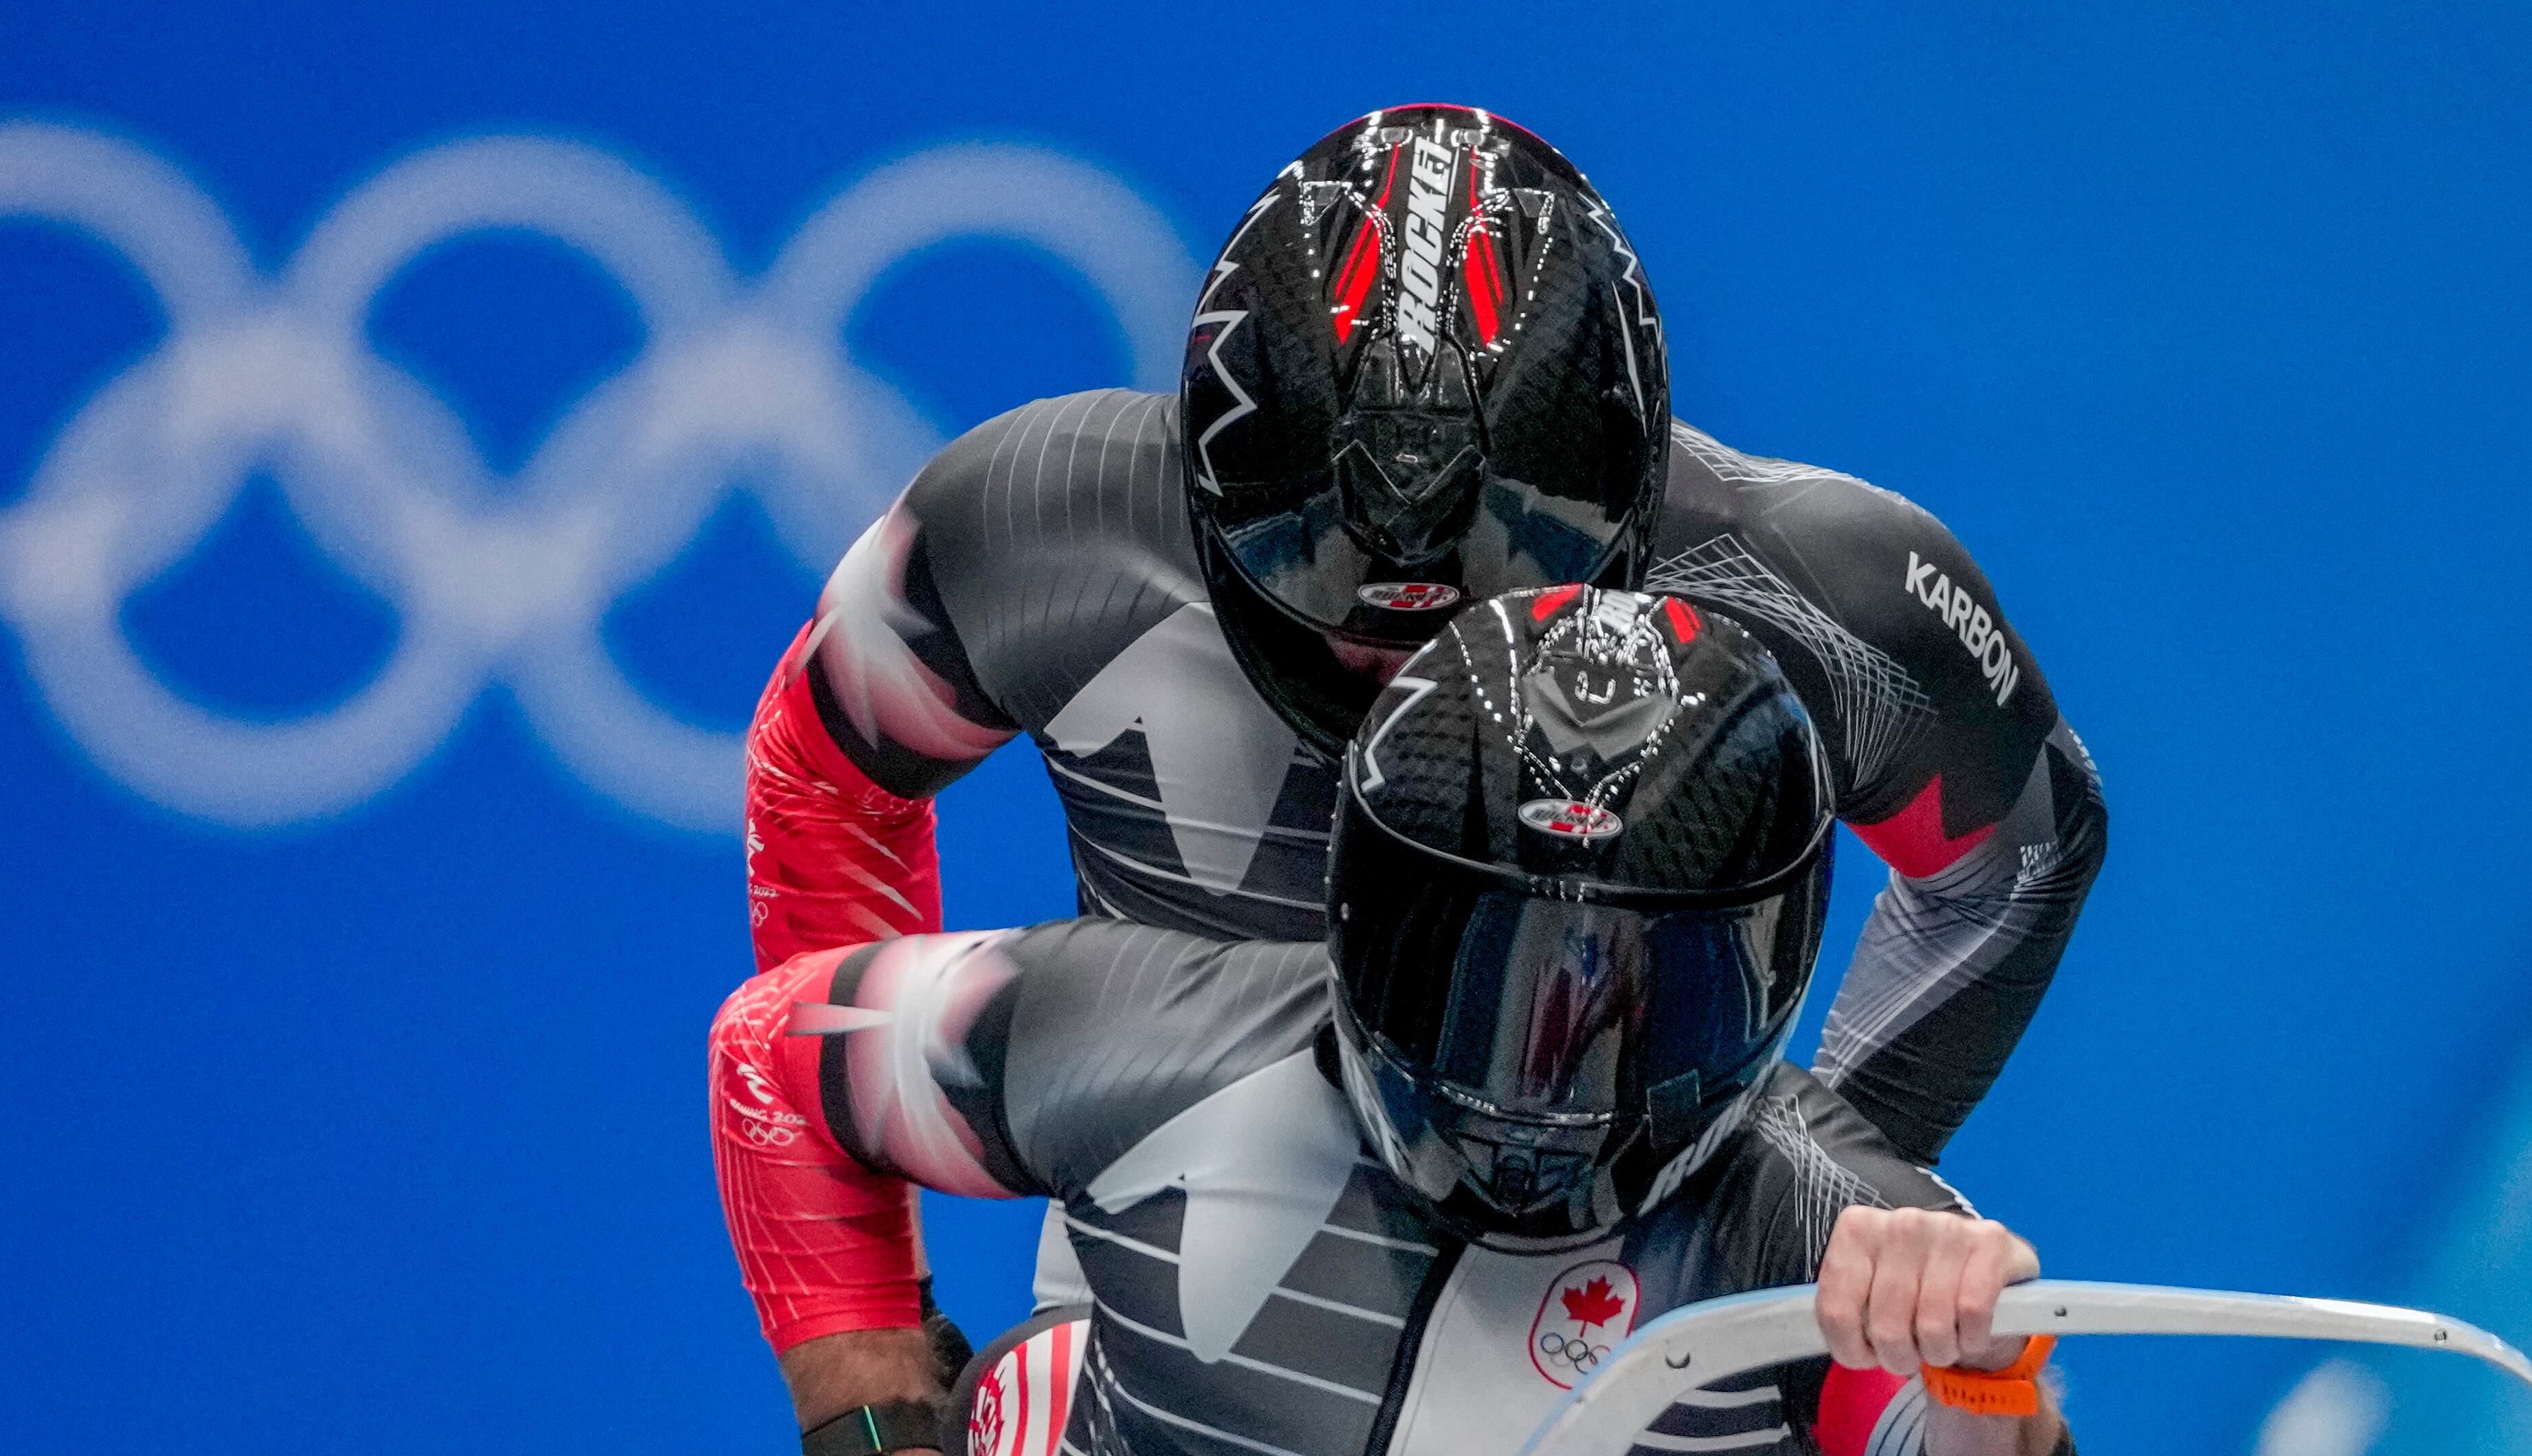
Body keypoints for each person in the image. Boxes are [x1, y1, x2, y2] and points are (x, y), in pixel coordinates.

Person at [712, 588, 2108, 1456]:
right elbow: (773, 1062)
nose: (1542, 1068)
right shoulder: (1146, 1038)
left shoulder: (1830, 1224)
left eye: (1641, 992)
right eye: (1474, 965)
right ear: (1357, 915)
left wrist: (1989, 1406)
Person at [744, 108, 2106, 1288]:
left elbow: (2022, 854)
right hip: (1163, 1335)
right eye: (1326, 588)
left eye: (1471, 611)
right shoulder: (1036, 524)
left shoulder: (1824, 588)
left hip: (1611, 1357)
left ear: (1620, 506)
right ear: (1217, 491)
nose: (1395, 658)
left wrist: (1790, 1216)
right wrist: (887, 1414)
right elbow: (820, 782)